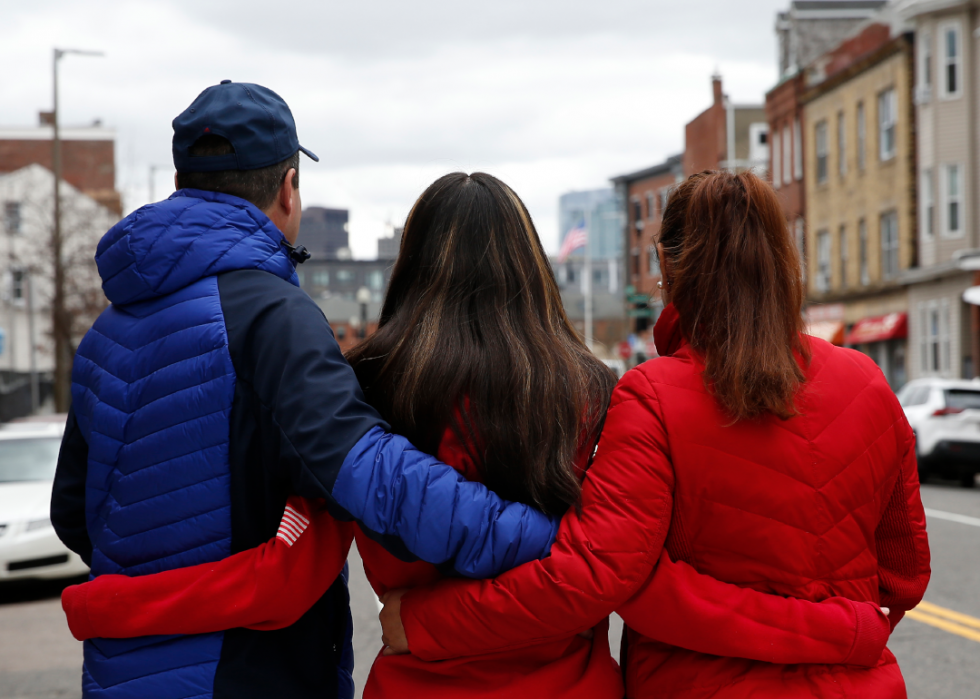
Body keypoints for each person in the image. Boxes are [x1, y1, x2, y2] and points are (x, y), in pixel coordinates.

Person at [63, 173, 893, 699]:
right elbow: (615, 565)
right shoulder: (590, 389)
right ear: (532, 262)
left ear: (411, 266)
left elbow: (292, 562)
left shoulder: (367, 385)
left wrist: (116, 597)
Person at [51, 84, 562, 699]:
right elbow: (372, 475)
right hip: (240, 670)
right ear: (289, 187)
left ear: (183, 181)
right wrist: (538, 537)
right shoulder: (270, 316)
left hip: (119, 673)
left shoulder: (108, 331)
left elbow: (74, 512)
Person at [380, 170, 931, 699]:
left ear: (667, 266)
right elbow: (903, 578)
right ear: (780, 258)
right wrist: (838, 629)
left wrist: (423, 621)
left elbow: (609, 576)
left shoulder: (653, 397)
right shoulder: (868, 383)